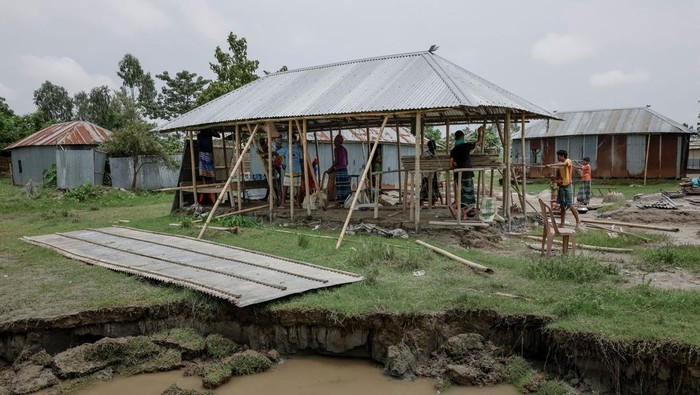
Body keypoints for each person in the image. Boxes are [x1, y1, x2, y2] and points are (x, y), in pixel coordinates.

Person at [449, 127, 484, 219]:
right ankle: (459, 208)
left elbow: (451, 164)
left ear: (455, 138)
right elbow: (479, 142)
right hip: (467, 174)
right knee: (468, 195)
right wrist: (479, 132)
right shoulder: (466, 146)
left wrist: (457, 166)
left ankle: (463, 213)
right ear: (462, 137)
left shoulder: (453, 150)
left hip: (457, 174)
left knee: (460, 194)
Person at [546, 150, 581, 227]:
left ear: (563, 156)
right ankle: (562, 223)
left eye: (558, 156)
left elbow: (564, 164)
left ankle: (578, 222)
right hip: (561, 187)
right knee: (562, 206)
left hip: (568, 186)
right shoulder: (558, 168)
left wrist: (551, 165)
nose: (557, 157)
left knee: (570, 205)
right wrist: (551, 176)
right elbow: (557, 179)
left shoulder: (568, 161)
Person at [276, 134, 303, 208]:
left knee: (285, 187)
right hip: (297, 170)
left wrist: (265, 153)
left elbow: (276, 153)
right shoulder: (299, 148)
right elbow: (301, 160)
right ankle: (297, 203)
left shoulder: (287, 148)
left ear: (294, 140)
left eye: (291, 139)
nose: (289, 140)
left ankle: (283, 204)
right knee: (297, 187)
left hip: (289, 170)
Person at [328, 134, 351, 202]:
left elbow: (336, 161)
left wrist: (331, 168)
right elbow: (346, 162)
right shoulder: (344, 149)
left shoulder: (336, 149)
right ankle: (347, 200)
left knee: (340, 186)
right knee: (345, 186)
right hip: (344, 170)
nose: (334, 143)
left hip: (339, 170)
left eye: (334, 141)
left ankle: (340, 200)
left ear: (337, 141)